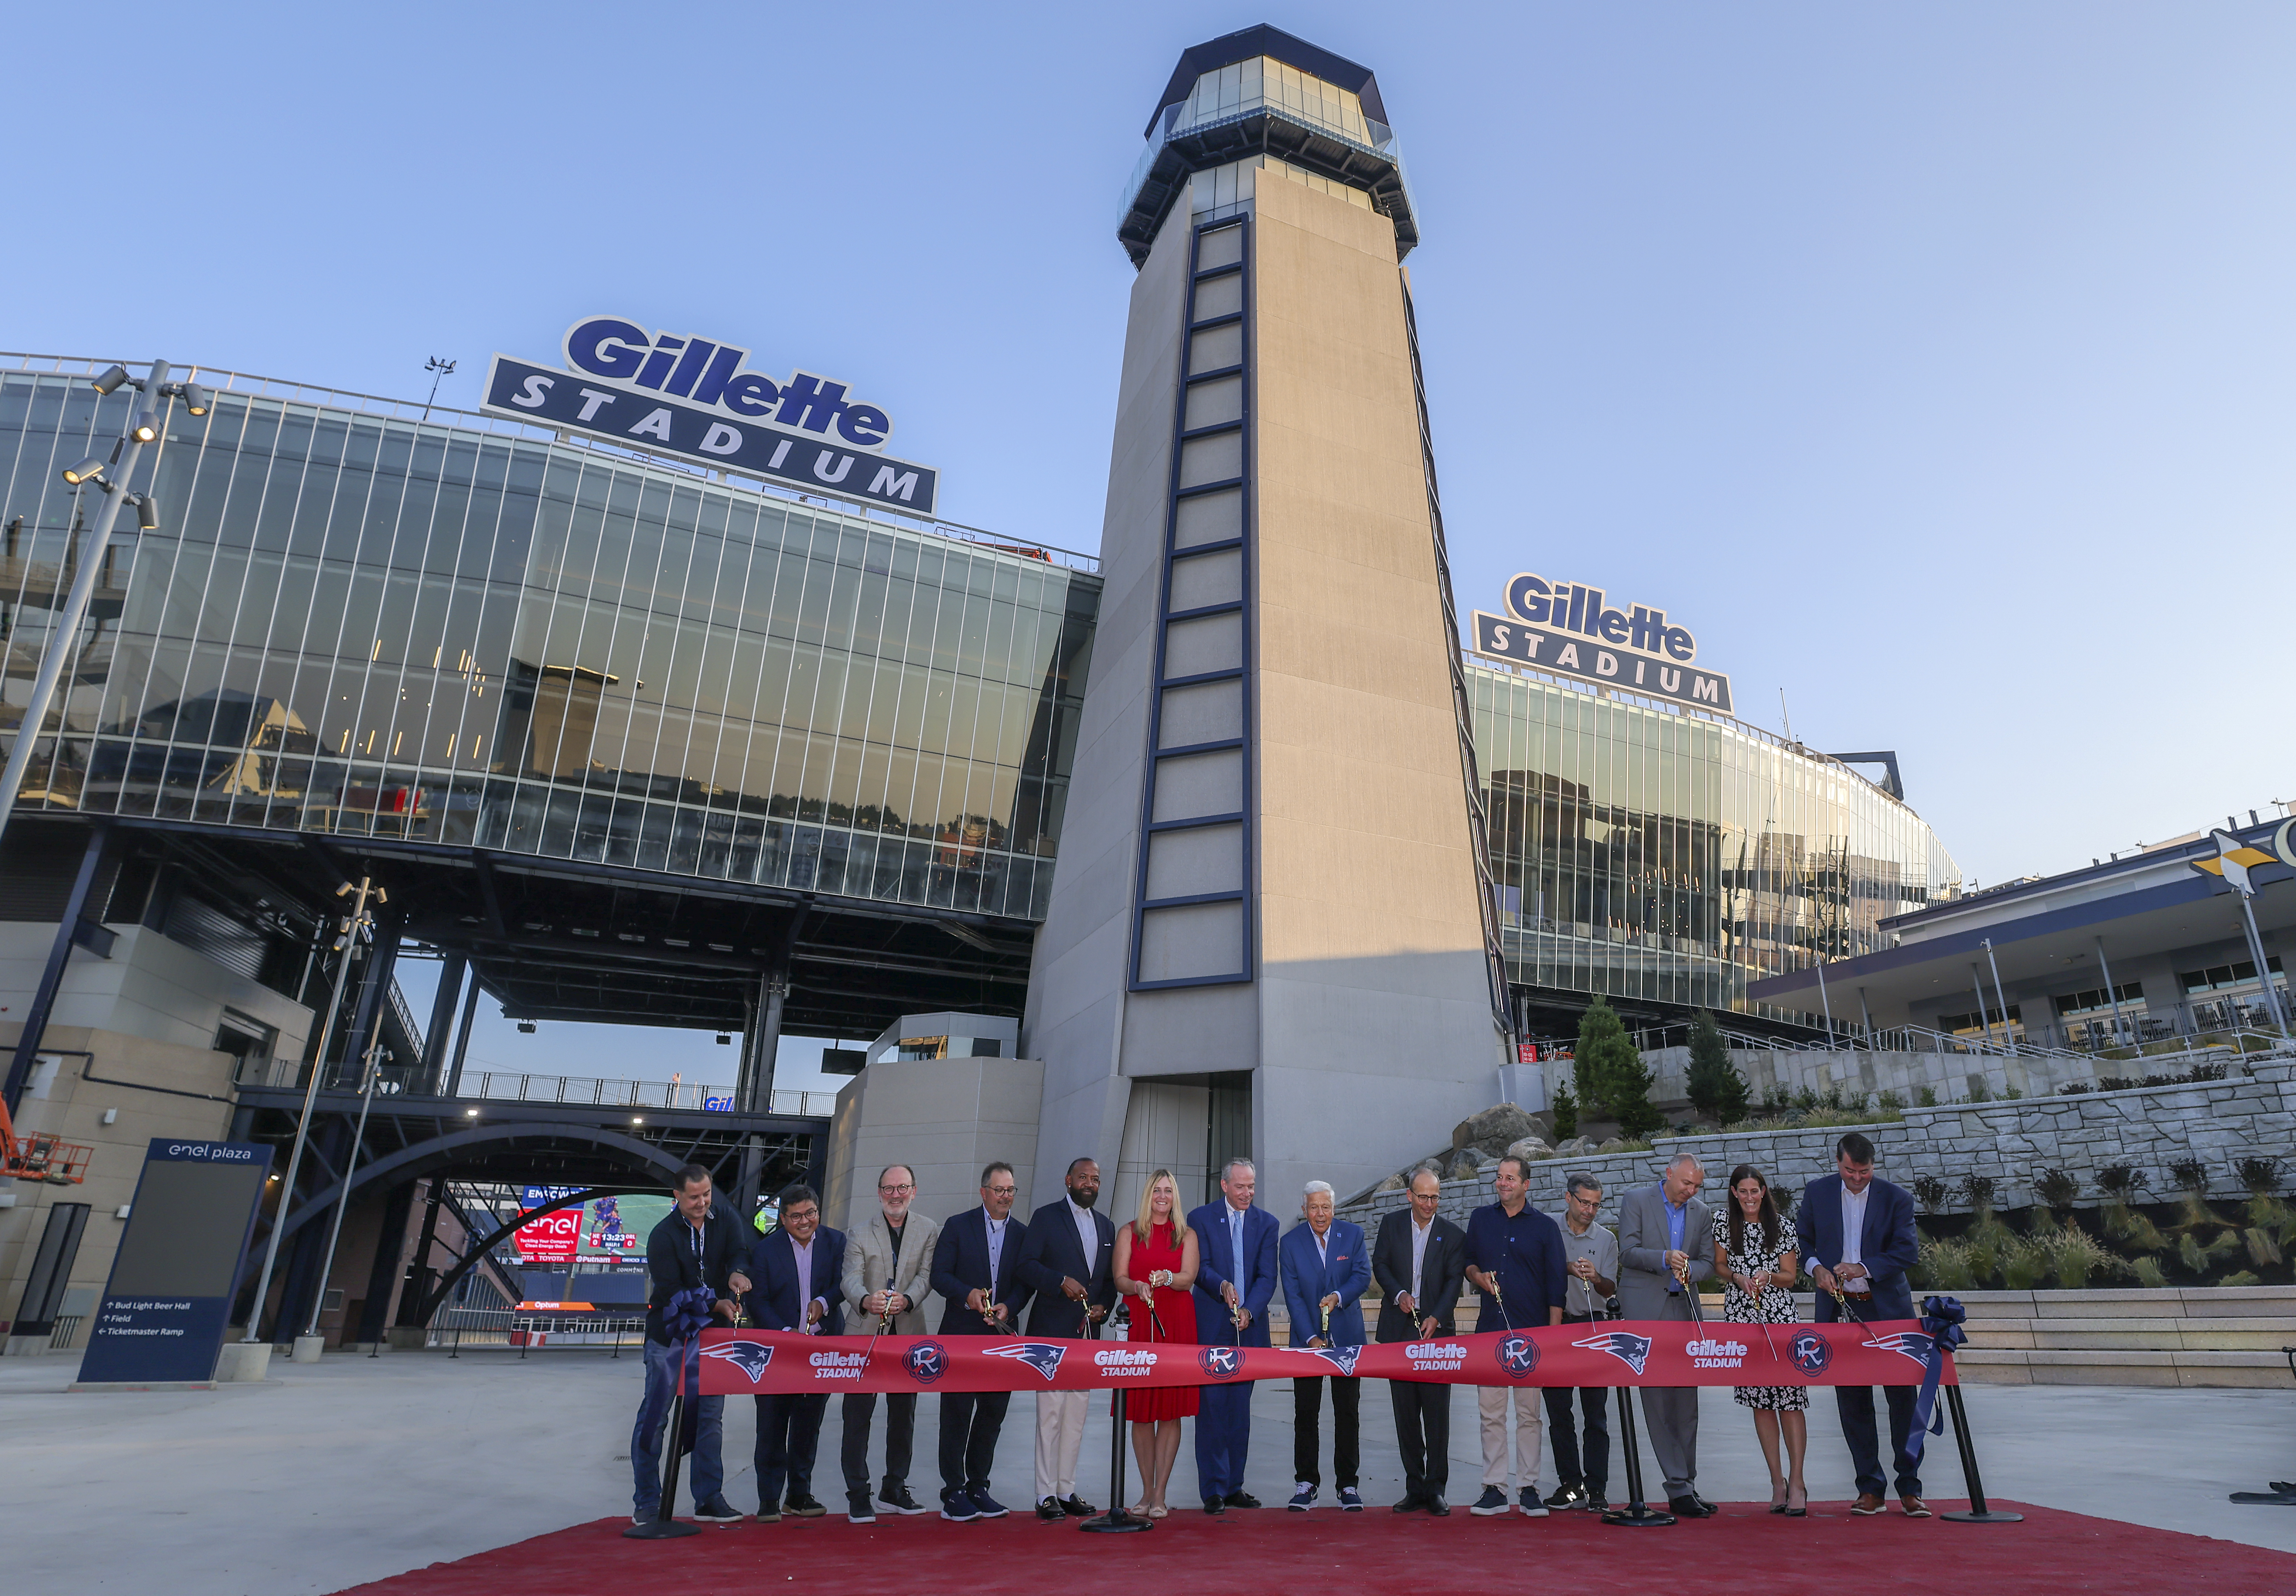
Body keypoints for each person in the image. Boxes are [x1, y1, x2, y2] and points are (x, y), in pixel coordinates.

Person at [1795, 1132, 1926, 1517]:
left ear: (1873, 1165)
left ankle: (1910, 1487)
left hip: (1886, 1310)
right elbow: (1802, 1241)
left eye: (1864, 1172)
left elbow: (1906, 1251)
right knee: (1852, 1401)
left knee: (1903, 1399)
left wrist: (1863, 1269)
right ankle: (1869, 1487)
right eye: (1850, 1171)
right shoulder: (1817, 1193)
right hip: (1838, 1312)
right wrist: (1816, 1268)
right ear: (1838, 1163)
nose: (1857, 1178)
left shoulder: (1895, 1198)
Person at [632, 1163, 750, 1525]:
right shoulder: (661, 1235)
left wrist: (738, 1271)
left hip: (712, 1339)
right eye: (694, 1197)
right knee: (655, 1418)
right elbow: (669, 1291)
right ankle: (647, 1502)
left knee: (710, 1419)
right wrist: (716, 1302)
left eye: (707, 1194)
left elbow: (740, 1251)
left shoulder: (725, 1218)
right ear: (677, 1196)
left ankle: (709, 1498)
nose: (702, 1203)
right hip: (668, 1339)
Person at [1463, 1154, 1567, 1517]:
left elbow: (1557, 1284)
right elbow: (1469, 1262)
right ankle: (1493, 1488)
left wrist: (1553, 1338)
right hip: (1489, 1332)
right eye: (1499, 1177)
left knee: (1528, 1415)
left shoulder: (1544, 1227)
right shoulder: (1480, 1219)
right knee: (1489, 1413)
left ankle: (1528, 1488)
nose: (1503, 1183)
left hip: (1532, 1339)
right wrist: (1478, 1277)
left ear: (1526, 1184)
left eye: (1510, 1178)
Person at [837, 1163, 940, 1523]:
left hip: (908, 1336)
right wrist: (866, 1299)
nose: (895, 1194)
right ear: (879, 1192)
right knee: (857, 1415)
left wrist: (907, 1300)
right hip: (864, 1333)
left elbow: (927, 1275)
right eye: (888, 1188)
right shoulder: (859, 1232)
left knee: (903, 1416)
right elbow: (848, 1278)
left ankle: (894, 1487)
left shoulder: (928, 1230)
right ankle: (858, 1492)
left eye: (902, 1187)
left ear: (914, 1190)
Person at [1015, 1156, 1117, 1520]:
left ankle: (1066, 1489)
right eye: (1083, 1177)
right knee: (1051, 1416)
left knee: (1076, 1417)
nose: (1089, 1183)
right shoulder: (1045, 1217)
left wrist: (1104, 1305)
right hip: (1051, 1336)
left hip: (1088, 1335)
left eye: (1095, 1178)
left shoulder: (1107, 1227)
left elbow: (1107, 1282)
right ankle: (1045, 1494)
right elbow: (1025, 1265)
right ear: (1068, 1180)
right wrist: (1059, 1282)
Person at [928, 1161, 1029, 1521]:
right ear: (984, 1191)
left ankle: (978, 1486)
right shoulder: (958, 1226)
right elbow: (939, 1275)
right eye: (1000, 1190)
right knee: (956, 1413)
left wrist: (1010, 1305)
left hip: (1002, 1339)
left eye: (1011, 1190)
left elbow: (1025, 1282)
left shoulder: (1022, 1232)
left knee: (991, 1414)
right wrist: (968, 1294)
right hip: (960, 1336)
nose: (1006, 1197)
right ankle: (953, 1491)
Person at [1619, 1153, 1714, 1519]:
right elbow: (1627, 1252)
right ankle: (1677, 1486)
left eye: (1696, 1186)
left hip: (1683, 1314)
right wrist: (1664, 1258)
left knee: (1686, 1406)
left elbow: (1707, 1262)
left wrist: (1691, 1269)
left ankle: (1686, 1483)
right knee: (1658, 1405)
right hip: (1646, 1316)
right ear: (1668, 1173)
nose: (1690, 1191)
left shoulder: (1701, 1213)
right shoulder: (1636, 1200)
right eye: (1686, 1183)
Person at [745, 1183, 845, 1522]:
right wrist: (787, 1335)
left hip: (821, 1351)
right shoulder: (765, 1251)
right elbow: (758, 1301)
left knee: (808, 1426)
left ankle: (799, 1496)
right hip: (778, 1353)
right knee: (772, 1425)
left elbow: (842, 1283)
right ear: (784, 1218)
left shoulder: (835, 1242)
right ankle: (769, 1500)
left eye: (811, 1213)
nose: (805, 1221)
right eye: (797, 1216)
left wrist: (824, 1302)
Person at [1712, 1163, 1808, 1515]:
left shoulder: (1780, 1225)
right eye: (1743, 1191)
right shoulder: (1723, 1223)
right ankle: (1776, 1481)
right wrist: (1737, 1276)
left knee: (1790, 1399)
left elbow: (1790, 1276)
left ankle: (1797, 1482)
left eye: (1755, 1191)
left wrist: (1769, 1276)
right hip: (1741, 1317)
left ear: (1763, 1191)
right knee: (1761, 1400)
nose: (1750, 1197)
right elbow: (1719, 1265)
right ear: (1734, 1193)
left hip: (1779, 1318)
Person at [1188, 1156, 1280, 1514]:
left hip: (1250, 1330)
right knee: (1211, 1409)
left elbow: (1266, 1277)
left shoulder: (1267, 1223)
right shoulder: (1200, 1219)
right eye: (1240, 1186)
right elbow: (1201, 1269)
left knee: (1240, 1411)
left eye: (1251, 1186)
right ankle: (1211, 1488)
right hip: (1212, 1327)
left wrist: (1249, 1310)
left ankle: (1233, 1486)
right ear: (1224, 1185)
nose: (1247, 1193)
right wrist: (1222, 1286)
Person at [1373, 1166, 1465, 1514]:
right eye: (1423, 1196)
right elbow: (1379, 1264)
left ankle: (1436, 1488)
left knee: (1437, 1414)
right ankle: (1414, 1486)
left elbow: (1454, 1281)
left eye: (1435, 1197)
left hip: (1436, 1334)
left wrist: (1436, 1316)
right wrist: (1398, 1294)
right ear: (1409, 1196)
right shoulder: (1391, 1225)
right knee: (1406, 1414)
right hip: (1398, 1332)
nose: (1429, 1203)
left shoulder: (1453, 1235)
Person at [1112, 1168, 1200, 1517]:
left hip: (1175, 1325)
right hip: (1138, 1324)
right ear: (1148, 1194)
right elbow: (1119, 1277)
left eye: (1168, 1191)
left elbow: (1188, 1278)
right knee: (1141, 1411)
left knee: (1169, 1409)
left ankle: (1161, 1493)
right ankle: (1145, 1491)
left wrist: (1168, 1277)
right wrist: (1137, 1285)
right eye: (1156, 1190)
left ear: (1174, 1196)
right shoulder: (1129, 1232)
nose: (1162, 1196)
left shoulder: (1186, 1235)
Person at [1278, 1180, 1371, 1512]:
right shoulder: (1289, 1244)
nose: (1321, 1214)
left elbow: (1362, 1276)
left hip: (1347, 1338)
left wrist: (1339, 1297)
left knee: (1347, 1411)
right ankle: (1306, 1482)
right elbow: (1292, 1296)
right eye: (1314, 1207)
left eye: (1326, 1207)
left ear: (1334, 1208)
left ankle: (1348, 1484)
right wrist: (1312, 1338)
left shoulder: (1353, 1235)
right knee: (1306, 1412)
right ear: (1304, 1210)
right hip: (1307, 1342)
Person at [1544, 1171, 1619, 1512]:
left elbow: (1610, 1289)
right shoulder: (1547, 1229)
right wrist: (1567, 1269)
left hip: (1594, 1328)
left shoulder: (1605, 1239)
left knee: (1596, 1416)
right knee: (1559, 1414)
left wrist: (1595, 1276)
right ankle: (1570, 1486)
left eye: (1596, 1204)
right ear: (1568, 1198)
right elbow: (1538, 1272)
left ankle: (1597, 1487)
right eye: (1584, 1202)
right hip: (1557, 1330)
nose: (1590, 1210)